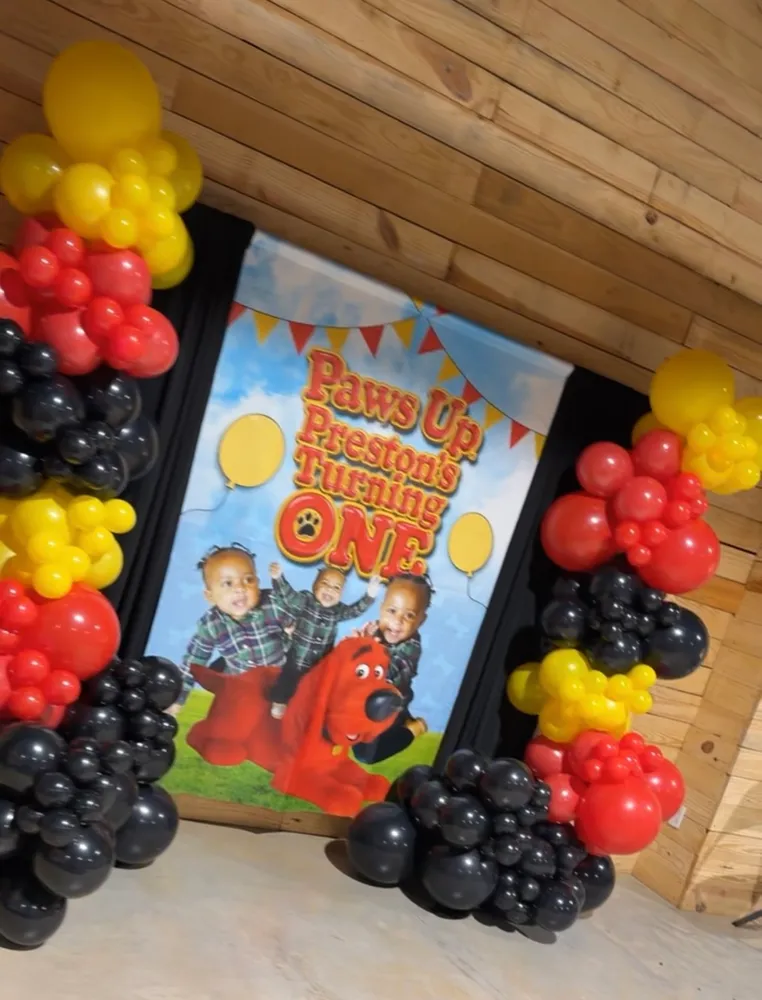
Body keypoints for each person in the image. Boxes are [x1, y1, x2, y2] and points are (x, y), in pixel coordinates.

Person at [174, 544, 288, 711]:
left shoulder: (273, 604)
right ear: (210, 596)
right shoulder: (211, 624)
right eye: (228, 583)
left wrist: (292, 631)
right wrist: (178, 699)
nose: (240, 588)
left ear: (258, 584)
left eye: (248, 580)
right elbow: (194, 661)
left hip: (279, 675)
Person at [268, 563, 381, 718]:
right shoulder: (306, 600)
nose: (329, 590)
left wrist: (370, 595)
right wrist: (278, 578)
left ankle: (304, 710)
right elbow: (288, 595)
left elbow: (354, 611)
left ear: (341, 594)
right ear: (315, 586)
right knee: (286, 680)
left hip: (317, 665)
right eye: (325, 584)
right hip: (296, 657)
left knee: (313, 689)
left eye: (336, 588)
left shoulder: (337, 610)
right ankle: (280, 702)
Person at [351, 572, 433, 764]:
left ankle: (412, 729)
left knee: (365, 755)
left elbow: (387, 675)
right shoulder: (373, 631)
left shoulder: (410, 648)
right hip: (366, 700)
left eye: (409, 615)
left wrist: (367, 652)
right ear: (381, 608)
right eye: (392, 611)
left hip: (390, 707)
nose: (398, 621)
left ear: (421, 620)